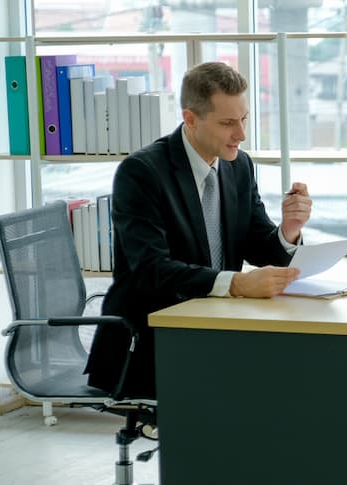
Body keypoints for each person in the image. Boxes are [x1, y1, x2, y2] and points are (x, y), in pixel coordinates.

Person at [85, 61, 312, 398]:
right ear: (190, 118)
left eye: (243, 119)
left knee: (295, 372)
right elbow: (152, 270)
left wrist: (290, 228)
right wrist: (236, 283)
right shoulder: (142, 173)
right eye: (227, 123)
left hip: (218, 325)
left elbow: (260, 246)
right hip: (151, 339)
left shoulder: (238, 165)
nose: (241, 134)